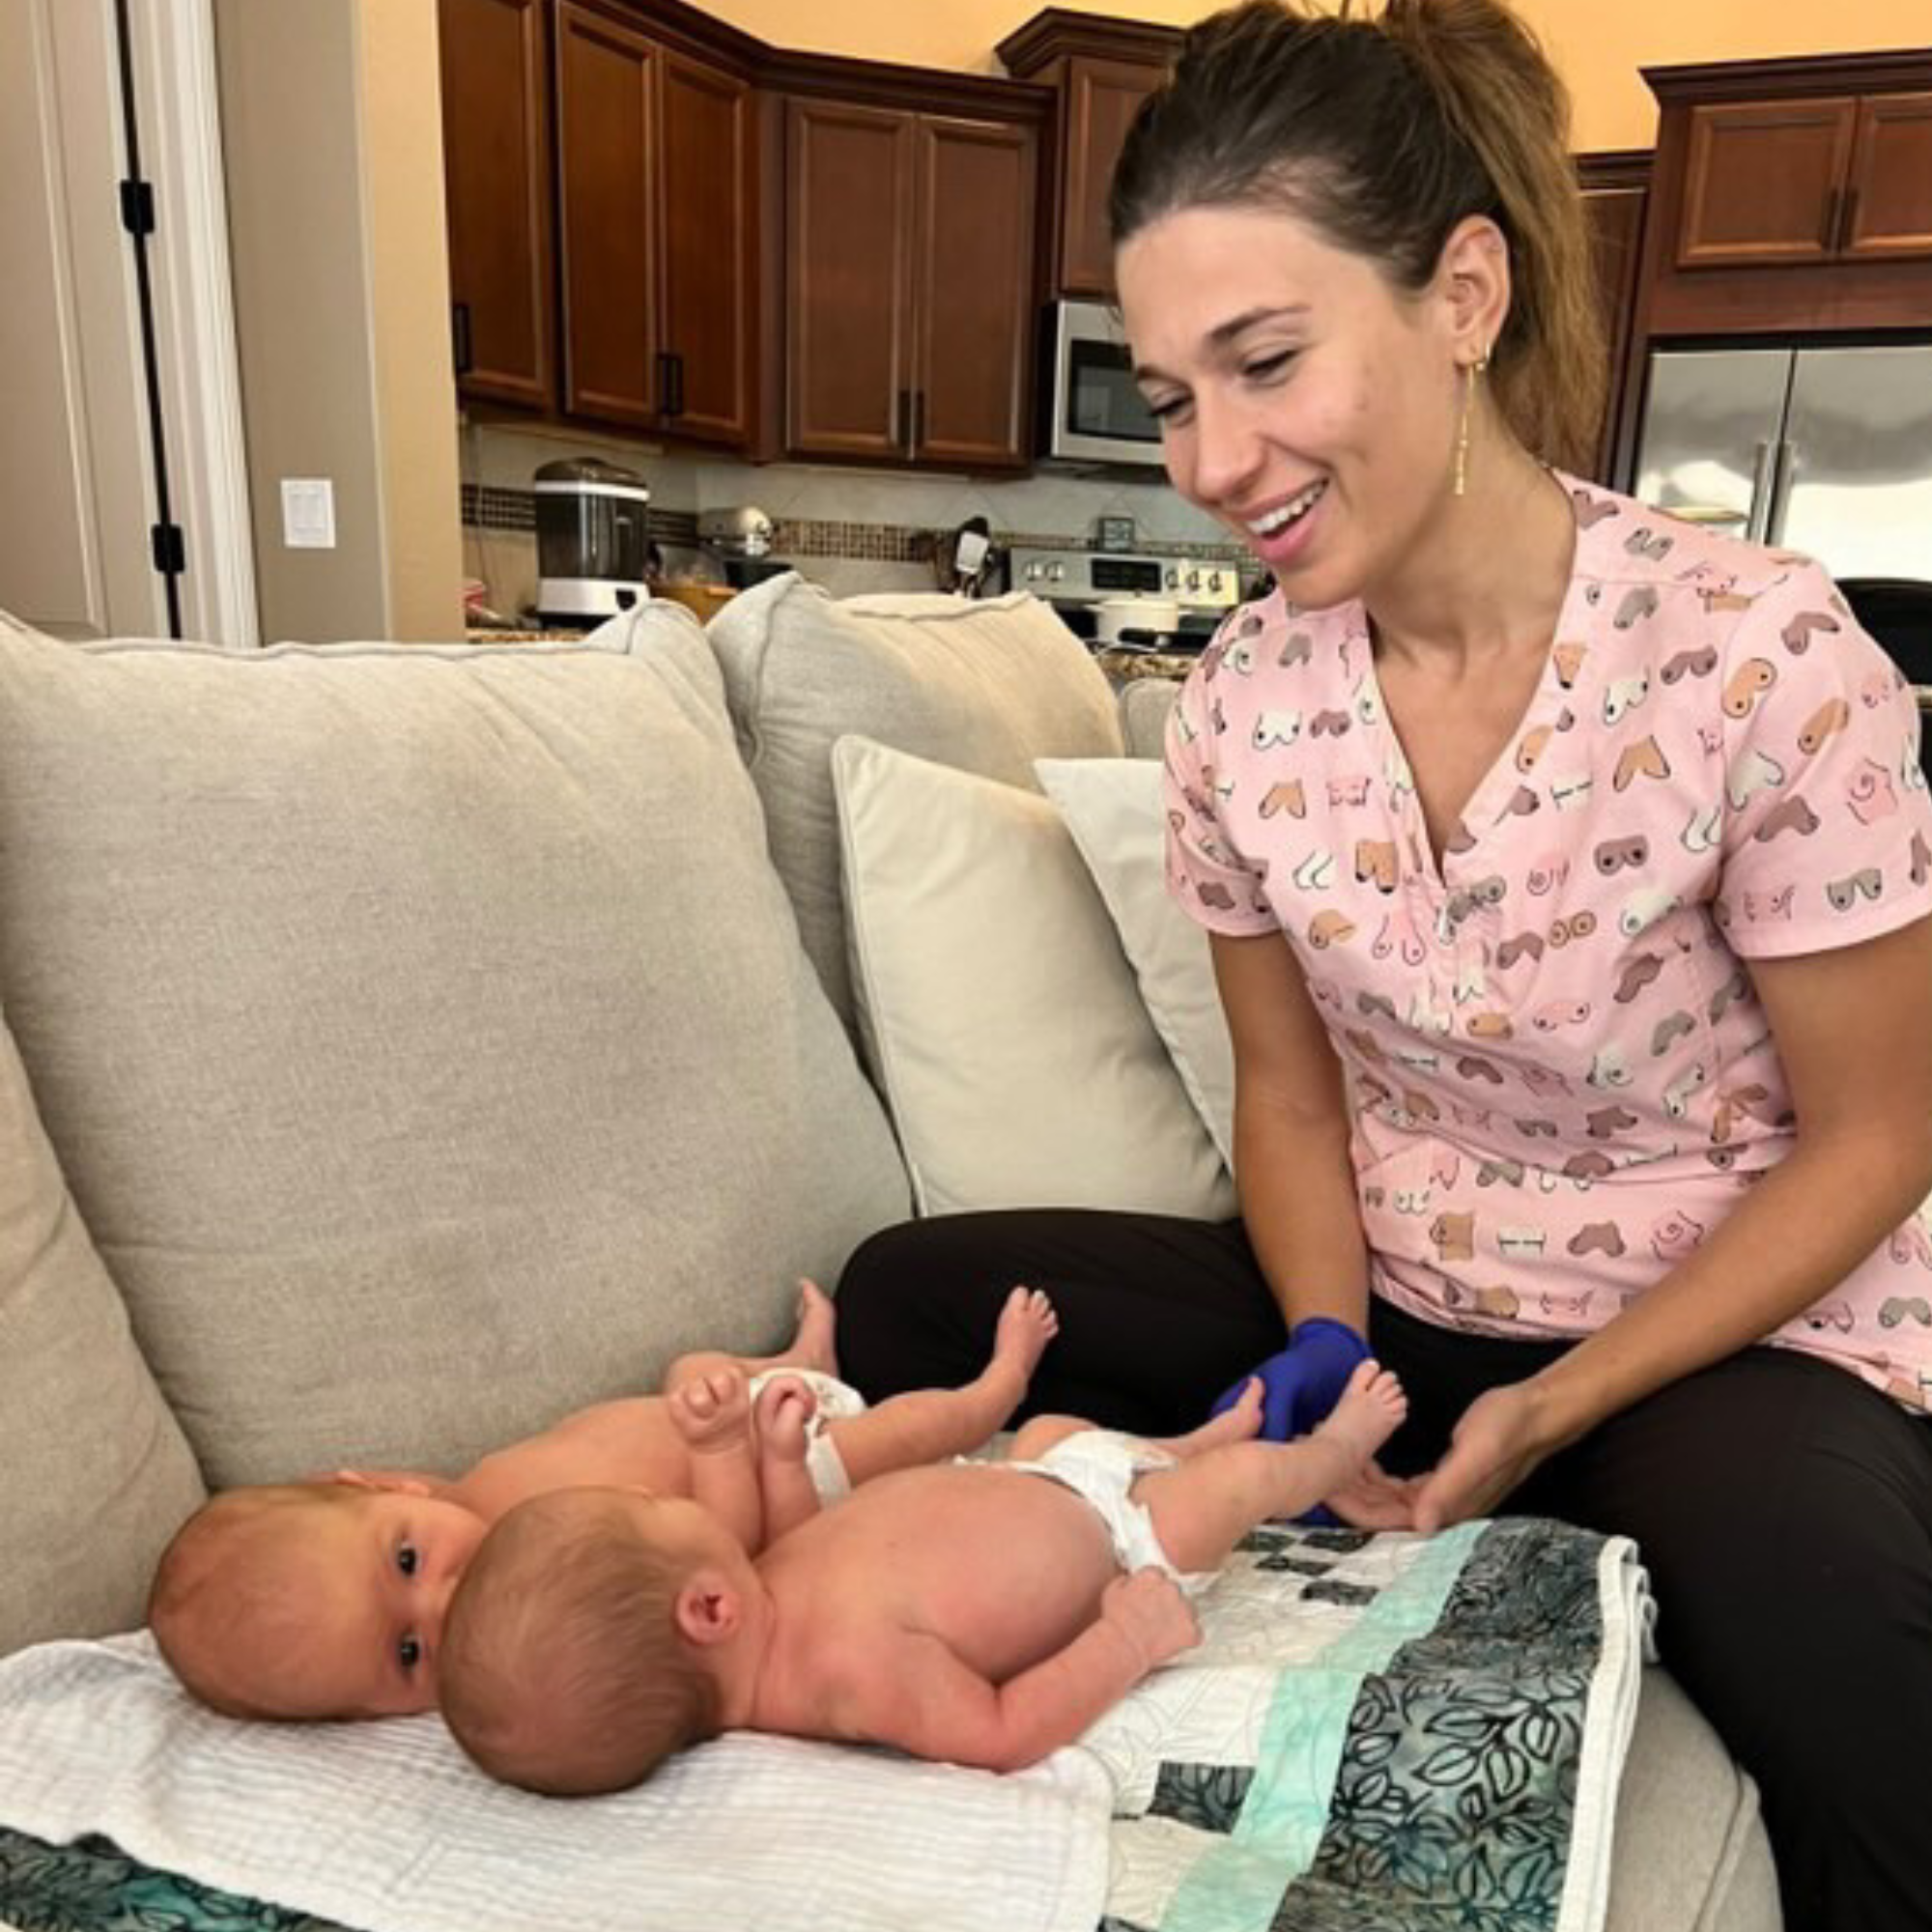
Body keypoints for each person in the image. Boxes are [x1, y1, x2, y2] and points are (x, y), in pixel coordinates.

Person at [829, 4, 1932, 1927]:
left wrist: (1551, 1407)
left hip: (1705, 1339)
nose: (1215, 457)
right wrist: (1327, 1355)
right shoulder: (1240, 706)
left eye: (1264, 362)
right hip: (1396, 1316)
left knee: (1856, 1664)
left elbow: (1878, 1135)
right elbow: (1287, 1089)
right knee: (914, 1297)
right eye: (1172, 394)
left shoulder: (1757, 656)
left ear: (1462, 294)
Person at [437, 1357, 1407, 1795]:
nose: (674, 1497)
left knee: (1052, 1429)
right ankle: (1332, 1451)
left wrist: (778, 1460)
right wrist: (1127, 1636)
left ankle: (1183, 1441)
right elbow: (994, 1733)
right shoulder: (848, 1675)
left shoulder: (759, 1593)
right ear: (706, 1607)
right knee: (1239, 1487)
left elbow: (823, 1535)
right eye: (658, 1508)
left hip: (1039, 1475)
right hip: (1125, 1539)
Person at [148, 1282, 1059, 1721]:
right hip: (789, 1476)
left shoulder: (492, 1490)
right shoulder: (559, 1597)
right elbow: (722, 1555)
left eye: (405, 1559)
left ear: (375, 1483)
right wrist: (716, 1450)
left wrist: (713, 1412)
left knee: (691, 1370)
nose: (443, 1596)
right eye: (409, 1651)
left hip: (744, 1411)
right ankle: (993, 1391)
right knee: (897, 1433)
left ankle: (802, 1361)